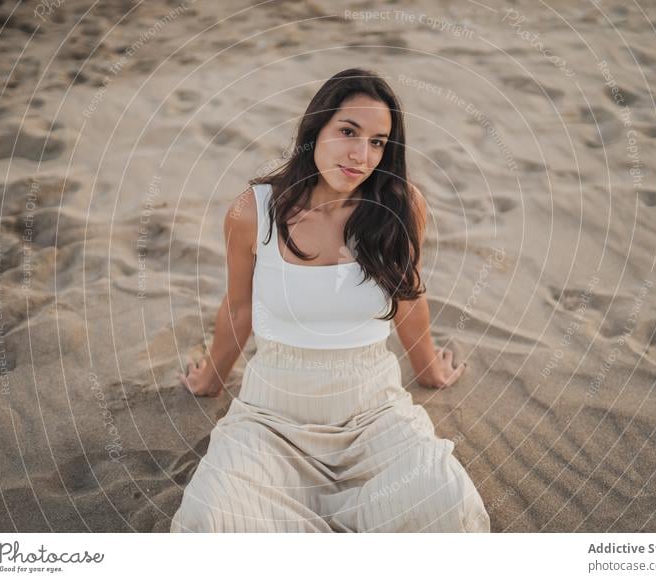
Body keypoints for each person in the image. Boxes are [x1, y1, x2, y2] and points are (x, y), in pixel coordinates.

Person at [170, 68, 491, 532]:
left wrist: (428, 370)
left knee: (446, 504)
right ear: (315, 129)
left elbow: (407, 296)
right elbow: (239, 306)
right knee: (214, 519)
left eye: (379, 142)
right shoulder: (253, 210)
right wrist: (211, 380)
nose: (362, 155)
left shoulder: (402, 206)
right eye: (348, 132)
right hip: (271, 418)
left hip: (373, 413)